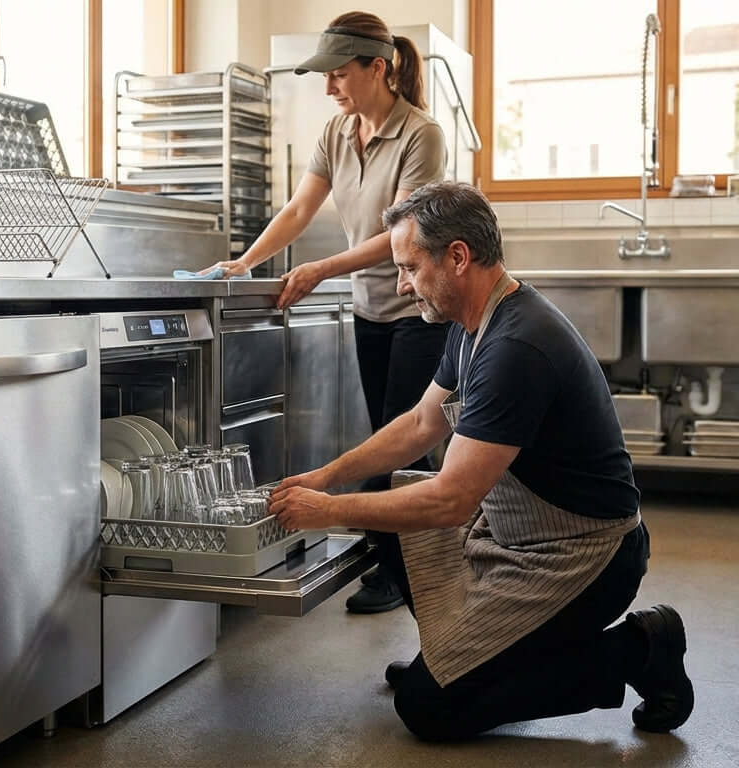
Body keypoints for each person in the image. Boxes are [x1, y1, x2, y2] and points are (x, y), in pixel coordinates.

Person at [269, 182, 694, 740]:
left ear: (458, 258)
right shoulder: (474, 323)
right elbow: (421, 424)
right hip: (515, 531)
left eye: (410, 267)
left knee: (429, 707)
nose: (402, 284)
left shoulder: (516, 346)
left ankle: (639, 650)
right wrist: (328, 475)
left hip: (585, 556)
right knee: (386, 522)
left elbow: (450, 500)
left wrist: (328, 511)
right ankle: (461, 656)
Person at [201, 11, 448, 613]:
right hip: (370, 309)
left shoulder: (422, 134)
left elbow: (399, 234)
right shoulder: (336, 134)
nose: (329, 86)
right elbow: (298, 209)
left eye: (339, 74)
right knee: (387, 438)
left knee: (403, 442)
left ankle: (399, 571)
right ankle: (401, 560)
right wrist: (246, 260)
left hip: (419, 310)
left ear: (378, 69)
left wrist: (317, 270)